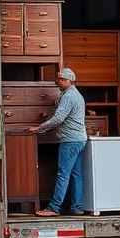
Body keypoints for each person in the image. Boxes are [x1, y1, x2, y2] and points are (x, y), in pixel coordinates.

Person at [28, 67, 87, 217]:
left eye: (61, 79)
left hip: (70, 141)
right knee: (76, 174)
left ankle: (54, 208)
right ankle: (77, 207)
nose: (57, 81)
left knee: (63, 174)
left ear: (69, 80)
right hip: (79, 139)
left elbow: (58, 118)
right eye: (58, 78)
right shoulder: (73, 95)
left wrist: (39, 128)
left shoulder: (69, 96)